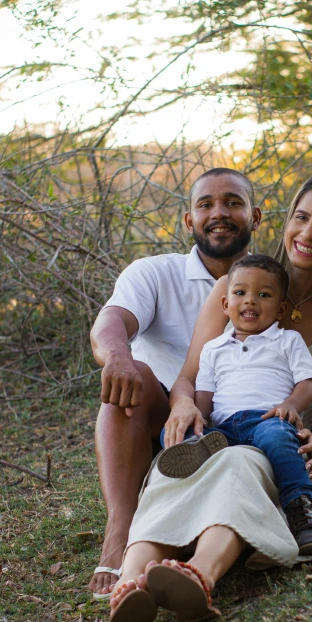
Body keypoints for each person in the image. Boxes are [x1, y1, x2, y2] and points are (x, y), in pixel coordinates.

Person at [108, 172, 312, 622]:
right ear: (285, 219)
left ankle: (200, 573)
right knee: (175, 466)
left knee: (242, 460)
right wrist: (183, 407)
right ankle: (130, 583)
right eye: (301, 217)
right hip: (219, 430)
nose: (307, 234)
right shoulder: (241, 286)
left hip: (283, 450)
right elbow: (190, 377)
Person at [88, 167, 262, 599]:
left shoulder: (273, 283)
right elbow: (111, 321)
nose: (218, 213)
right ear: (189, 221)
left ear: (255, 216)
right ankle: (120, 529)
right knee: (134, 378)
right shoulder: (154, 273)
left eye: (233, 202)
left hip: (237, 428)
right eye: (205, 204)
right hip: (158, 425)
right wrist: (117, 356)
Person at [159, 253, 312, 554]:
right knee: (182, 430)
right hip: (223, 427)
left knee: (280, 441)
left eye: (263, 295)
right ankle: (195, 455)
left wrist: (291, 404)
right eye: (240, 293)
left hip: (267, 419)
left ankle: (301, 513)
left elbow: (308, 381)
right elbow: (205, 396)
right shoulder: (213, 349)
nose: (250, 301)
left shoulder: (288, 340)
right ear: (226, 305)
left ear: (280, 310)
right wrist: (198, 417)